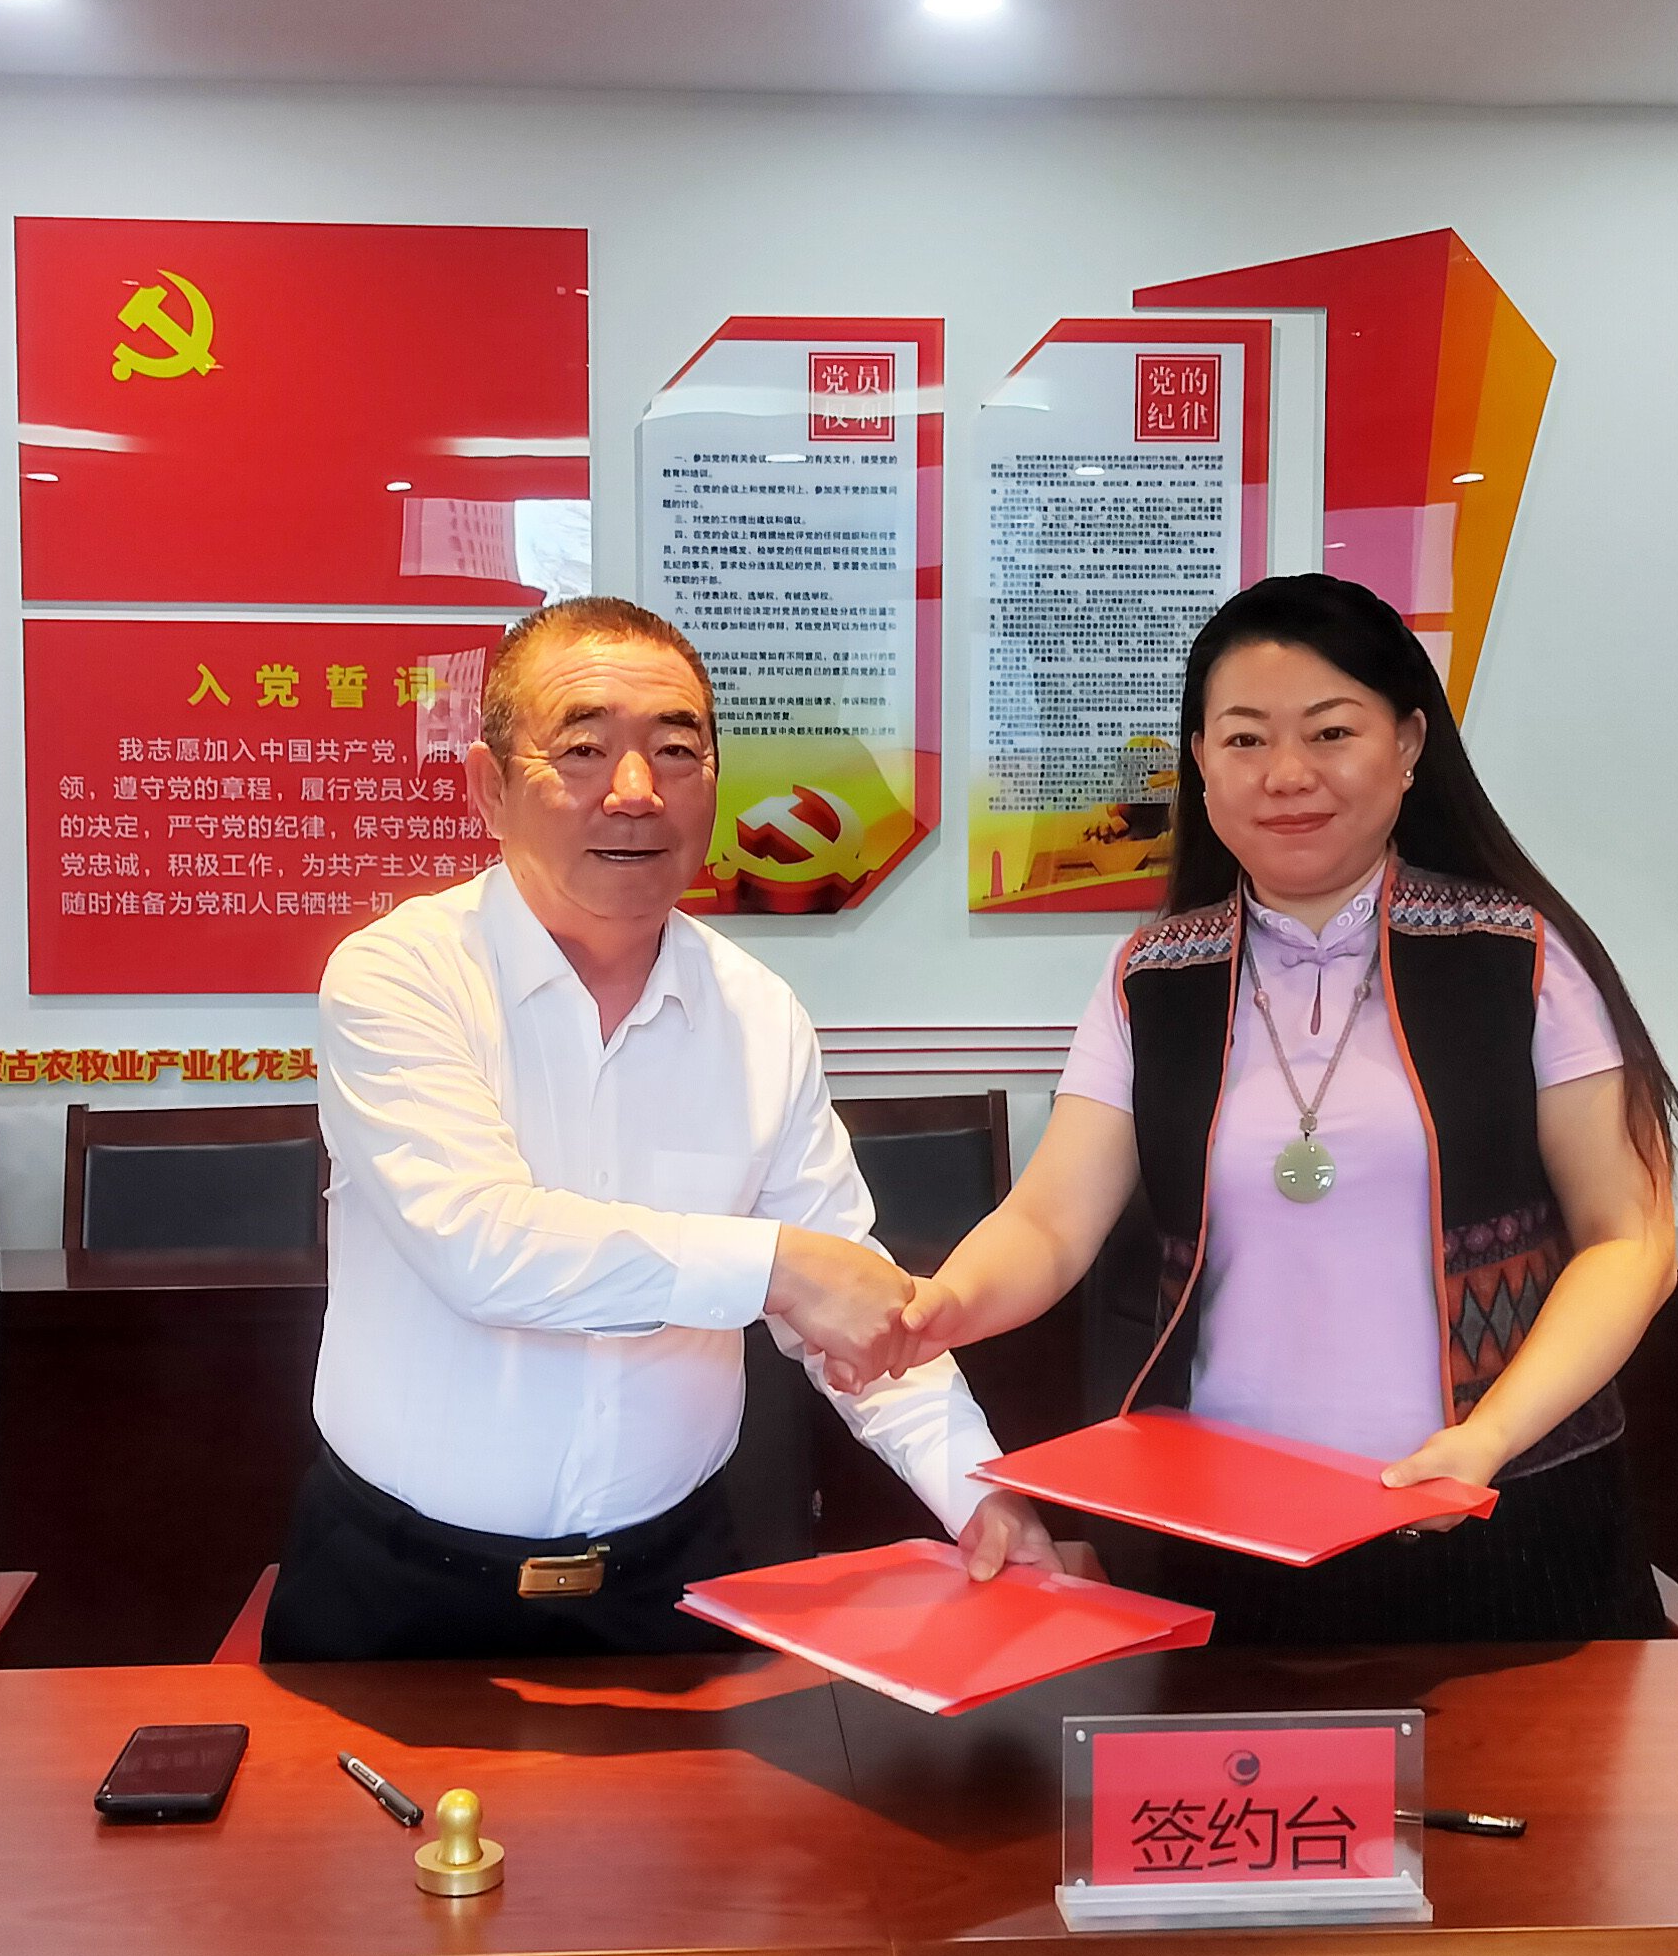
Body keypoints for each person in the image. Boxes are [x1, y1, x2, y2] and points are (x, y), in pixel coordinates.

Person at [266, 594, 1073, 1663]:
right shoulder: (399, 976)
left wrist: (977, 1493)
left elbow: (854, 1298)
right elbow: (483, 1246)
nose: (636, 790)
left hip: (668, 1587)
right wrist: (776, 1267)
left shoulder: (758, 1016)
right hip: (394, 1593)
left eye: (676, 751)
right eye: (584, 749)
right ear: (489, 788)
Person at [894, 573, 1678, 1644]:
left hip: (1505, 1519)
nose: (1287, 775)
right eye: (1245, 739)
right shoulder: (1152, 978)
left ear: (1409, 744)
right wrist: (943, 1305)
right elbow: (1047, 1222)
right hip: (1229, 1538)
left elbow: (1631, 1239)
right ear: (1201, 764)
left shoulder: (1518, 956)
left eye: (1330, 732)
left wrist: (1489, 1438)